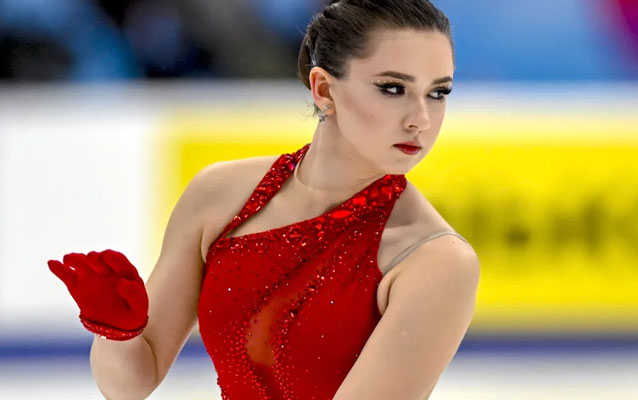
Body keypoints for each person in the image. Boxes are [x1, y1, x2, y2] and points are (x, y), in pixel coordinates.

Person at [47, 0, 481, 399]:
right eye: (393, 88)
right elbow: (129, 384)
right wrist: (117, 332)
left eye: (438, 92)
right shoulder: (218, 196)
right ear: (324, 89)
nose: (421, 119)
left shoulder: (434, 260)